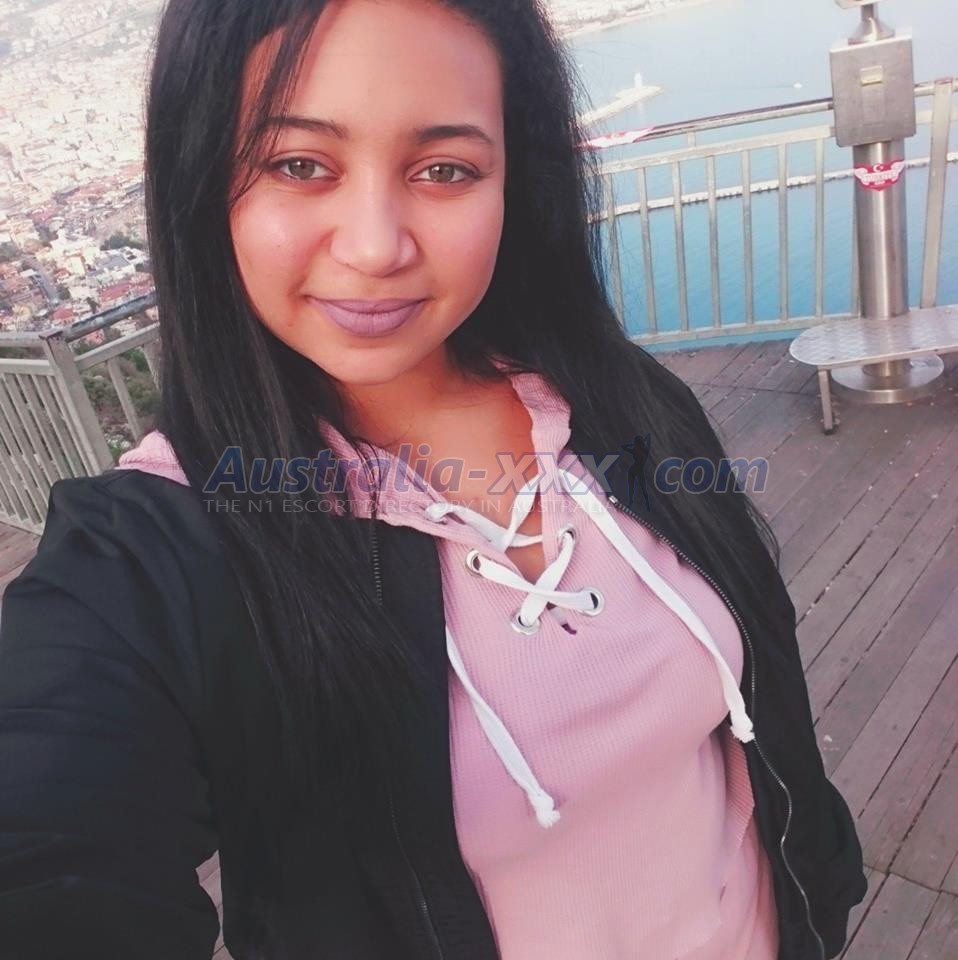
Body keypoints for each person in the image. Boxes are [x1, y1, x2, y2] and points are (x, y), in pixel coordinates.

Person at [0, 1, 867, 958]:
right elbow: (50, 829)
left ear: (515, 183)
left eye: (445, 169)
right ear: (202, 178)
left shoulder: (618, 402)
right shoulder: (162, 551)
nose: (376, 247)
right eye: (299, 165)